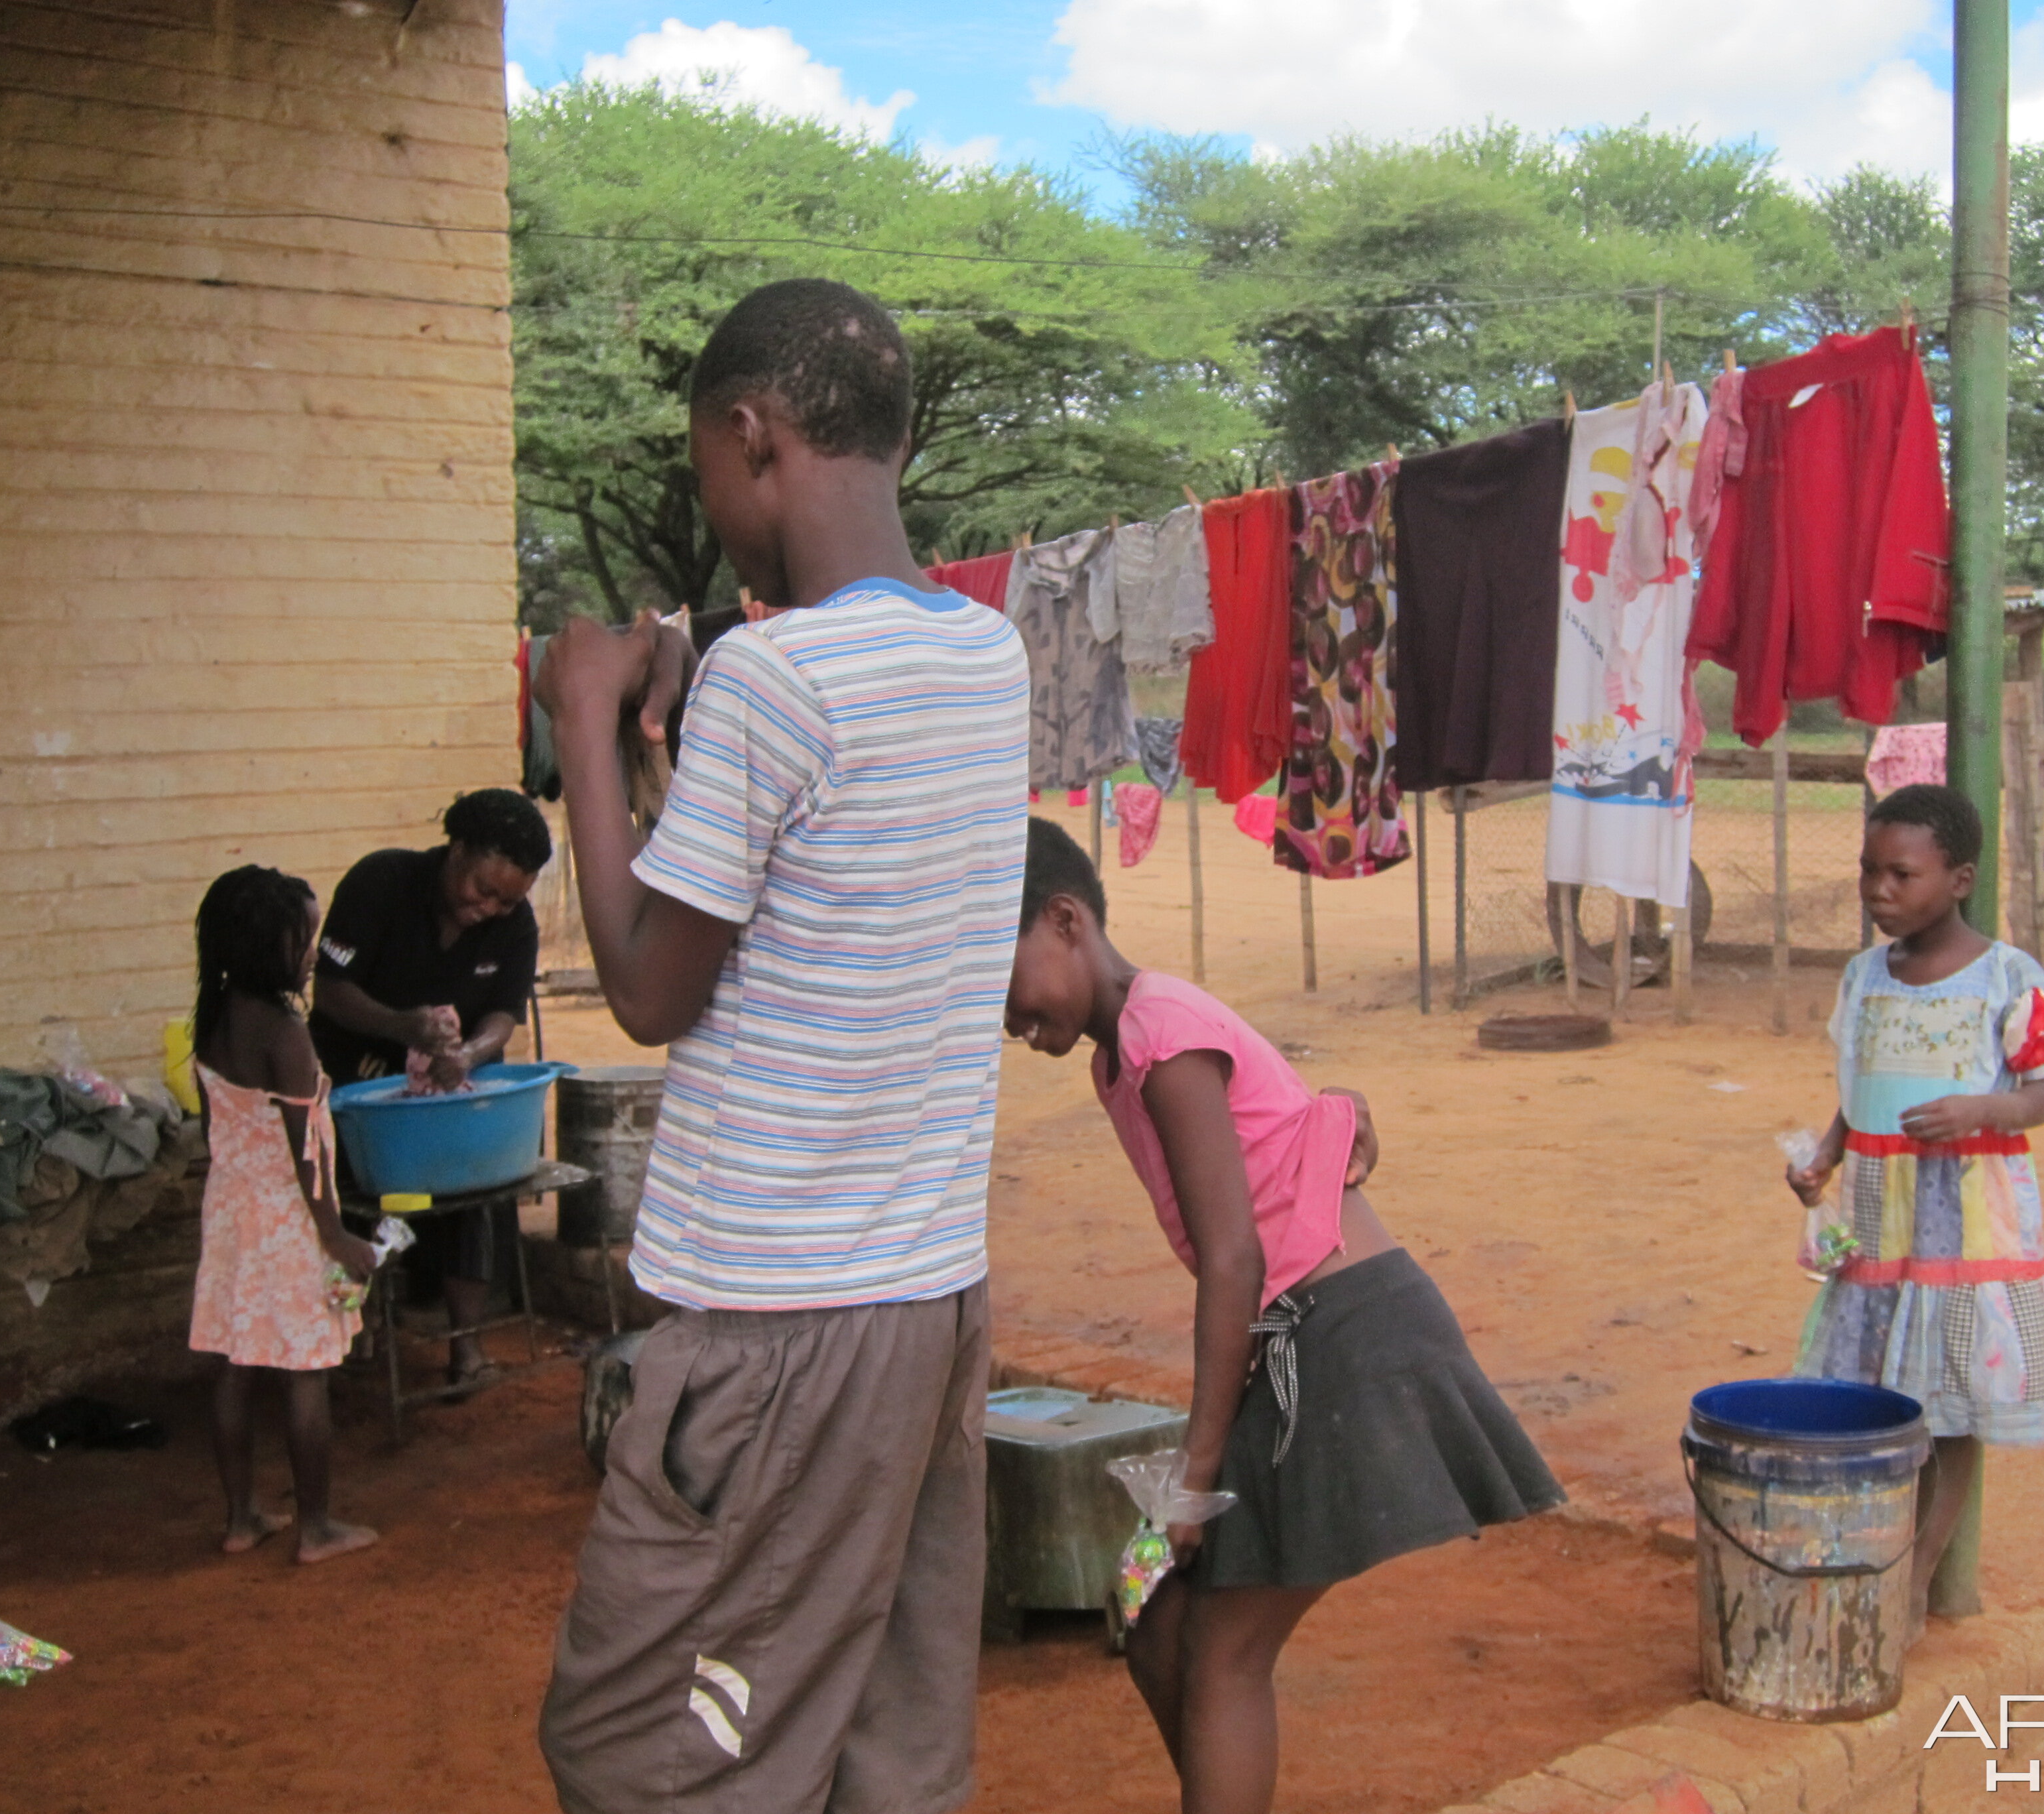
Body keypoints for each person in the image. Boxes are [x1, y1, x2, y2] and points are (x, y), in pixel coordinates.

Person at [533, 278, 1028, 1814]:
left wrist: (582, 732)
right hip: (926, 1299)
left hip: (780, 1320)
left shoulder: (774, 674)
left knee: (645, 1752)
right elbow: (800, 885)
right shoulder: (980, 654)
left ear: (752, 435)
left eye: (703, 470)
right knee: (883, 1732)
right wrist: (672, 737)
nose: (713, 510)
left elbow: (648, 985)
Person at [1003, 817, 1562, 1814]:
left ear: (1064, 919)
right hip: (1296, 1343)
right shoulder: (1122, 1056)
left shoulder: (1157, 1034)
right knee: (1152, 1611)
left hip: (1340, 1336)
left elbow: (1235, 1257)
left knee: (1221, 1652)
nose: (997, 1014)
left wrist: (1197, 1473)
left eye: (993, 971)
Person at [1785, 784, 2044, 1635]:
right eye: (1869, 872)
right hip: (1882, 1217)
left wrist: (1982, 1111)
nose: (1879, 890)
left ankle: (1914, 1582)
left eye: (1901, 875)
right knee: (1880, 1390)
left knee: (1948, 1406)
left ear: (1957, 880)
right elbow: (1857, 1087)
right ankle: (1868, 1556)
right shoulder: (1864, 979)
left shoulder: (2008, 979)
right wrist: (1828, 1156)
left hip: (1966, 1219)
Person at [310, 788, 549, 1389]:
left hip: (437, 1089)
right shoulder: (381, 883)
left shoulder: (514, 927)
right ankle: (352, 1334)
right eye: (483, 889)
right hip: (351, 1081)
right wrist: (402, 1026)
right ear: (457, 850)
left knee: (465, 1189)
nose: (490, 908)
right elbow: (331, 991)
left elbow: (502, 1014)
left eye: (506, 899)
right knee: (357, 1199)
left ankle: (466, 1349)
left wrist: (469, 1053)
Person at [188, 865, 379, 1564]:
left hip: (231, 1211)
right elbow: (309, 1153)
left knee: (236, 1365)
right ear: (267, 946)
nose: (312, 953)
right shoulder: (284, 1032)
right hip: (290, 1218)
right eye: (304, 939)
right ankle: (318, 1528)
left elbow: (222, 1126)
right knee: (306, 1371)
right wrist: (336, 1236)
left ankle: (241, 1519)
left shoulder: (213, 1016)